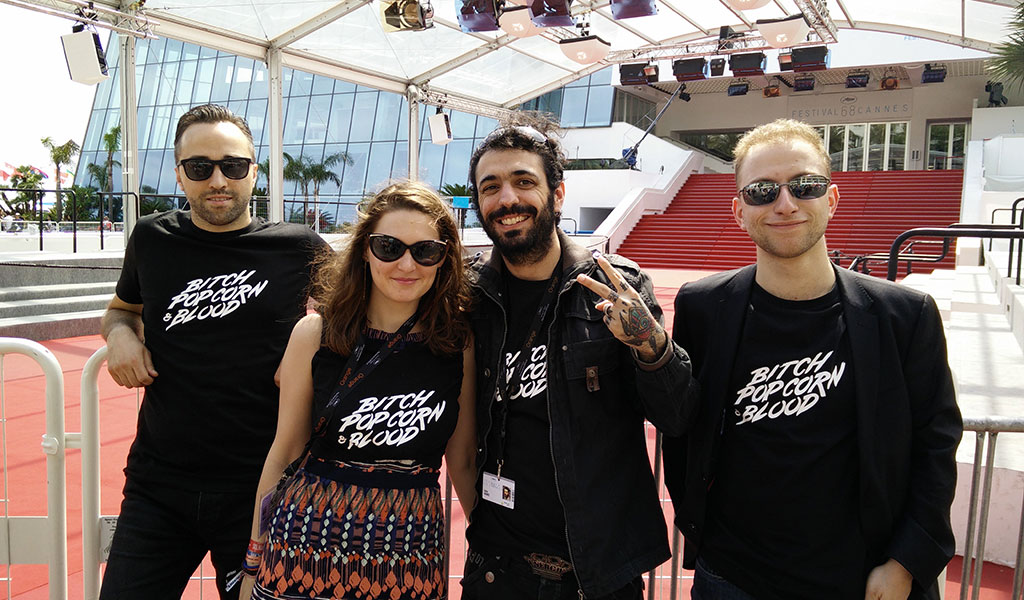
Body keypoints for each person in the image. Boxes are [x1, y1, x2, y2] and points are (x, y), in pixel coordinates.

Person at [663, 118, 963, 600]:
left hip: (863, 579)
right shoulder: (702, 307)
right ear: (739, 212)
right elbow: (683, 429)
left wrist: (906, 562)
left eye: (804, 186)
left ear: (832, 199)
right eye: (762, 191)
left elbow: (936, 446)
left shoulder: (905, 315)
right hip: (732, 579)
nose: (785, 204)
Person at [461, 113, 699, 600]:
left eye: (524, 181)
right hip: (495, 568)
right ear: (478, 203)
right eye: (492, 187)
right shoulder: (467, 298)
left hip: (597, 573)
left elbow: (676, 415)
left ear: (558, 194)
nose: (508, 199)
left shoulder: (616, 286)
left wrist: (650, 346)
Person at [99, 104, 328, 600]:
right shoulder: (152, 238)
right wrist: (119, 334)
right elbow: (122, 308)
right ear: (180, 174)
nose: (218, 180)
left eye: (233, 165)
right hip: (158, 486)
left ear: (254, 170)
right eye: (200, 168)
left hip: (264, 484)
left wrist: (313, 346)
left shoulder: (298, 246)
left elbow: (359, 317)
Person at [237, 181, 477, 600]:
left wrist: (493, 547)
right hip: (303, 549)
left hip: (409, 554)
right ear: (365, 250)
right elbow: (285, 449)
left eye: (425, 251)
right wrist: (253, 561)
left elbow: (463, 461)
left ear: (444, 259)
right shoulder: (315, 334)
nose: (406, 264)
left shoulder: (457, 345)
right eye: (389, 247)